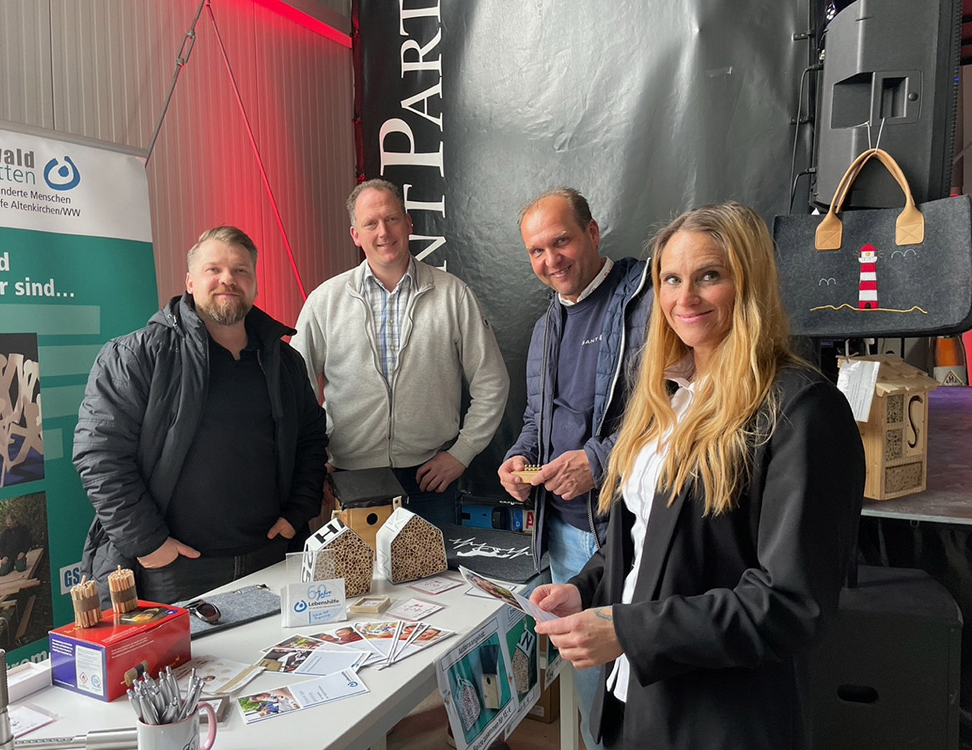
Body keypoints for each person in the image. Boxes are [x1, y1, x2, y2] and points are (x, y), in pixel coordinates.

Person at [530, 203, 865, 749]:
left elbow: (789, 604)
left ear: (748, 283)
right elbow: (642, 540)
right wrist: (585, 589)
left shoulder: (801, 412)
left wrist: (627, 630)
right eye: (671, 279)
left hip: (719, 721)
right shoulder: (666, 396)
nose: (684, 298)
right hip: (633, 702)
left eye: (709, 276)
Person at [74, 226, 328, 607]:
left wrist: (298, 513)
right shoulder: (138, 356)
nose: (228, 279)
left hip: (270, 559)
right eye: (214, 269)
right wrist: (149, 544)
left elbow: (311, 439)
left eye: (241, 271)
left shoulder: (284, 362)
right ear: (190, 281)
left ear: (255, 285)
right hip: (175, 572)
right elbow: (99, 456)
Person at [497, 188, 652, 749]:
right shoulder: (546, 328)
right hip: (561, 537)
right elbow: (537, 422)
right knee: (587, 693)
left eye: (560, 241)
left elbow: (669, 411)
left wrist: (599, 459)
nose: (550, 260)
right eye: (536, 251)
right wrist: (517, 459)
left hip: (629, 534)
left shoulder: (648, 302)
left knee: (639, 692)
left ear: (592, 232)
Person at [291, 179, 509, 528]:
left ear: (409, 223)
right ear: (355, 235)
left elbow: (492, 383)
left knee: (434, 582)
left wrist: (461, 453)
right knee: (356, 582)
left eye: (392, 219)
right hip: (349, 479)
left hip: (430, 479)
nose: (383, 232)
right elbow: (294, 392)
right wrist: (314, 461)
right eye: (370, 223)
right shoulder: (324, 301)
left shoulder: (453, 295)